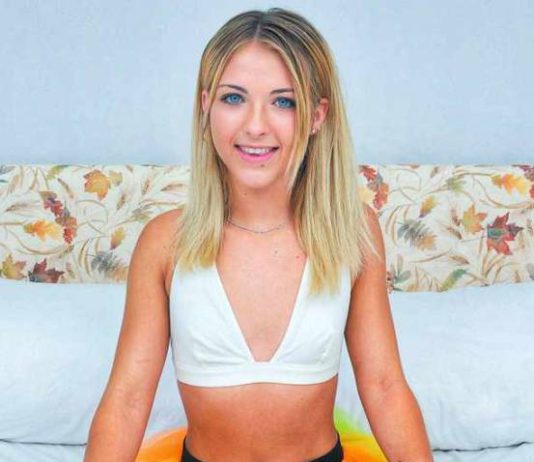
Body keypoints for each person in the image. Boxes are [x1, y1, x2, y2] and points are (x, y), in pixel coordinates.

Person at [84, 7, 433, 462]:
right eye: (233, 98)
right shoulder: (165, 242)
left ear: (317, 116)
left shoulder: (352, 231)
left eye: (283, 102)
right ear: (206, 106)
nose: (255, 125)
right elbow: (128, 399)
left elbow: (385, 386)